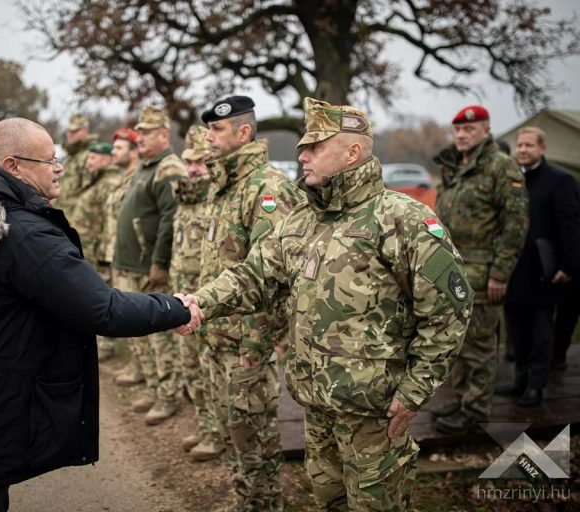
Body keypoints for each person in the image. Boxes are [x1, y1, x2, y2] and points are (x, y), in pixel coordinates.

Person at [177, 97, 472, 511]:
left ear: (352, 152)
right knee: (326, 501)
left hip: (375, 415)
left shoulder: (402, 220)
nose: (302, 154)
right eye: (303, 146)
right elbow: (254, 275)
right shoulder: (301, 221)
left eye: (315, 146)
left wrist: (415, 390)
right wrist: (198, 303)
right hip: (317, 408)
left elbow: (449, 311)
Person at [0, 117, 200, 512]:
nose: (59, 168)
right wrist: (175, 307)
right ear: (13, 166)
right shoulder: (20, 232)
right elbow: (103, 308)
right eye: (49, 161)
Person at [196, 95, 303, 511]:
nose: (209, 136)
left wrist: (256, 344)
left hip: (245, 345)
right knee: (235, 435)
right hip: (218, 337)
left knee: (256, 437)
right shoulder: (224, 185)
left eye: (217, 129)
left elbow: (275, 276)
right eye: (208, 129)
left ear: (244, 132)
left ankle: (265, 505)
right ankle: (246, 502)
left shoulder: (268, 188)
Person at [432, 105, 529, 434]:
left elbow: (515, 224)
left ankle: (474, 411)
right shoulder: (454, 167)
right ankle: (462, 399)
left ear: (486, 131)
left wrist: (500, 273)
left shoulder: (501, 167)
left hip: (482, 270)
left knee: (480, 344)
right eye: (457, 130)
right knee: (456, 341)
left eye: (469, 130)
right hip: (451, 268)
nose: (461, 135)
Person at [112, 106, 187, 425]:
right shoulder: (146, 166)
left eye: (146, 133)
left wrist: (159, 263)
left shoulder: (169, 168)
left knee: (160, 336)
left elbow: (172, 219)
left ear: (163, 135)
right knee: (140, 334)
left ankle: (169, 395)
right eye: (138, 132)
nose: (139, 138)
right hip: (130, 265)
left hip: (149, 269)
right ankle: (155, 387)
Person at [495, 127, 580, 406]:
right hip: (514, 268)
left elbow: (570, 225)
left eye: (529, 145)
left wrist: (569, 264)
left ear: (542, 148)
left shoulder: (560, 180)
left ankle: (536, 385)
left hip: (544, 270)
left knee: (541, 331)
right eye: (519, 145)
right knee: (517, 329)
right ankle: (519, 379)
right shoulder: (510, 180)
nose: (522, 150)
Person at [170, 124, 225, 460]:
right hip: (184, 295)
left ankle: (217, 434)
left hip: (210, 300)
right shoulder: (187, 198)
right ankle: (206, 427)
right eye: (188, 161)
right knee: (191, 367)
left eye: (200, 162)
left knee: (209, 371)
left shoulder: (217, 198)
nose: (192, 168)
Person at [70, 142, 122, 362]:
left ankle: (107, 345)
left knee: (101, 295)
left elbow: (110, 221)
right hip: (89, 249)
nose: (89, 162)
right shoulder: (96, 181)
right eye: (89, 157)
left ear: (107, 159)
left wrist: (104, 252)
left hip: (99, 252)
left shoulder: (108, 184)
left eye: (94, 158)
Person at [106, 128, 145, 384]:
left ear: (134, 152)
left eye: (119, 148)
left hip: (134, 261)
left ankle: (143, 371)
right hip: (116, 255)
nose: (113, 152)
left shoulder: (137, 180)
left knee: (138, 315)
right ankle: (135, 365)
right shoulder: (123, 179)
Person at [55, 113, 97, 215]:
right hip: (64, 214)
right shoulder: (72, 155)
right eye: (68, 131)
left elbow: (90, 194)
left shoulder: (90, 155)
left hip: (77, 218)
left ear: (85, 131)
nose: (70, 134)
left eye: (74, 131)